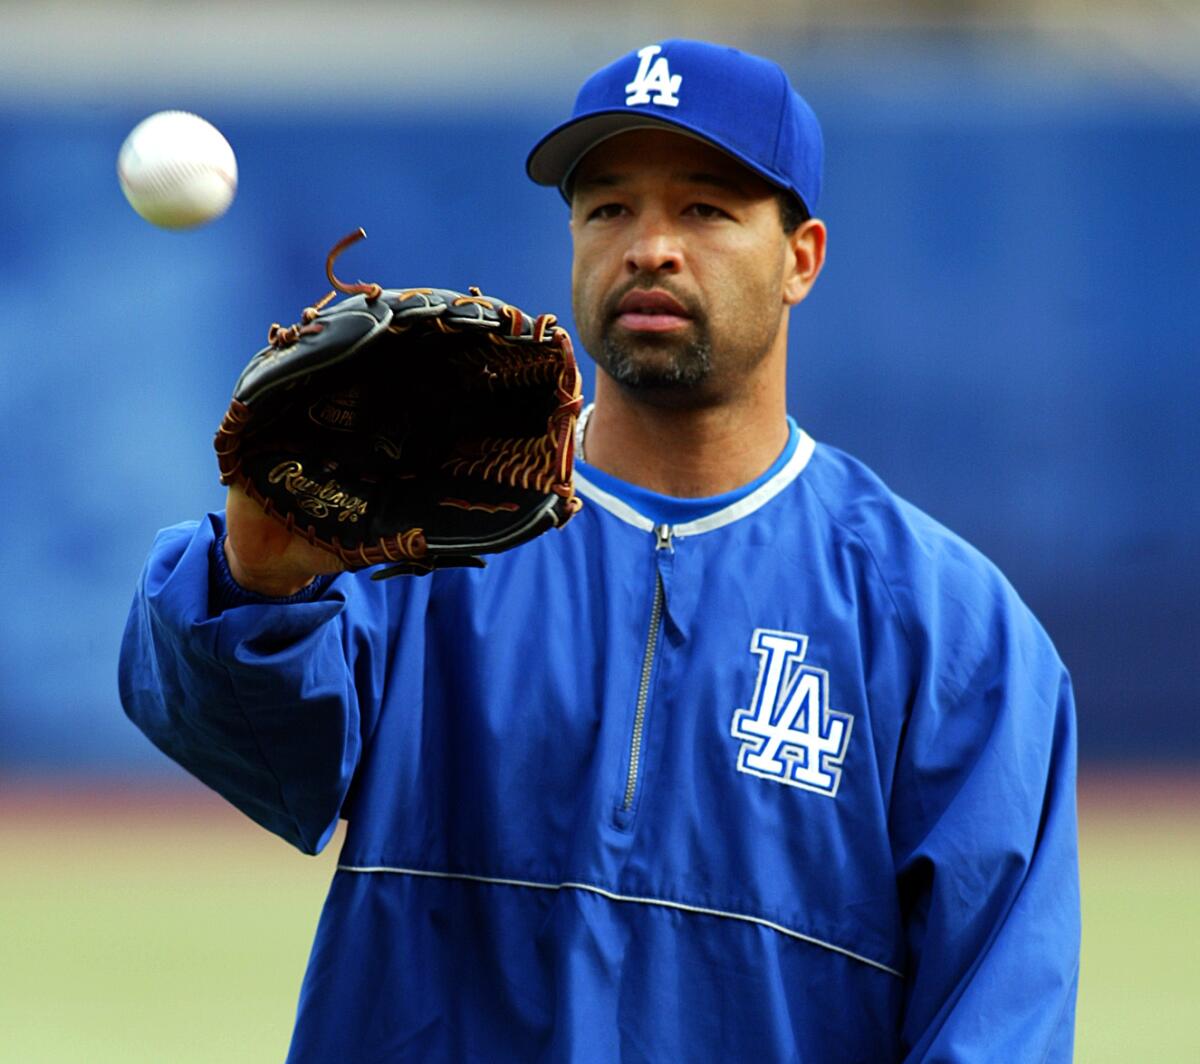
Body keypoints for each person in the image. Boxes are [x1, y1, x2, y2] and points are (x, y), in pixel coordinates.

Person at [120, 39, 1080, 1063]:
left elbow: (996, 1023)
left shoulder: (950, 630)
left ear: (802, 256)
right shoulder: (424, 537)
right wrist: (263, 575)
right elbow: (257, 749)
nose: (649, 246)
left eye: (705, 208)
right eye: (608, 207)